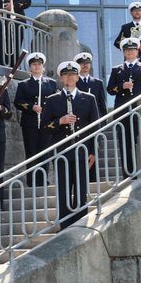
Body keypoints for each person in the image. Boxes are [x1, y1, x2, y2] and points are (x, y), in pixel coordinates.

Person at [42, 62, 100, 229]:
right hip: (62, 151)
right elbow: (44, 127)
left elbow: (95, 127)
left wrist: (93, 151)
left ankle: (80, 223)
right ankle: (65, 225)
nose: (69, 78)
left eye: (72, 75)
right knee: (63, 190)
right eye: (66, 75)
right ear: (61, 78)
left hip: (82, 150)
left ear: (77, 77)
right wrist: (60, 121)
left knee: (81, 189)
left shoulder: (89, 98)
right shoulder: (52, 100)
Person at [13, 52, 56, 186]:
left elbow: (55, 101)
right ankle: (32, 181)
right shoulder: (24, 84)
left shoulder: (51, 83)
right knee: (31, 151)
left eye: (39, 64)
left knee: (45, 152)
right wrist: (32, 107)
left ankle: (43, 180)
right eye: (34, 64)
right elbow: (18, 102)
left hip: (46, 123)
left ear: (43, 67)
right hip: (30, 123)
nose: (36, 67)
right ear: (30, 67)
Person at [106, 38, 141, 174]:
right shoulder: (116, 69)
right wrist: (121, 86)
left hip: (139, 109)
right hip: (123, 110)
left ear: (137, 51)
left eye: (132, 50)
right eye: (127, 50)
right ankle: (128, 173)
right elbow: (110, 89)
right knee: (125, 142)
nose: (129, 52)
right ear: (123, 52)